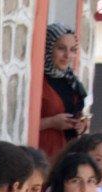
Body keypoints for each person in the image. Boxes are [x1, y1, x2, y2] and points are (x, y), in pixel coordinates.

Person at [38, 24, 89, 160]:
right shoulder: (37, 81)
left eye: (73, 50)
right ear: (48, 47)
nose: (68, 55)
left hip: (67, 154)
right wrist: (51, 122)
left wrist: (82, 123)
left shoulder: (71, 80)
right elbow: (22, 123)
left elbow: (77, 112)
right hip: (43, 156)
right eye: (61, 48)